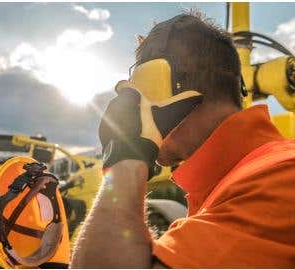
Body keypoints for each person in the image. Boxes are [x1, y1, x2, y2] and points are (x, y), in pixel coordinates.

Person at [70, 13, 295, 268]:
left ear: (171, 86)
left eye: (139, 88)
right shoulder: (236, 183)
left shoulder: (276, 179)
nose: (133, 100)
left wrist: (126, 156)